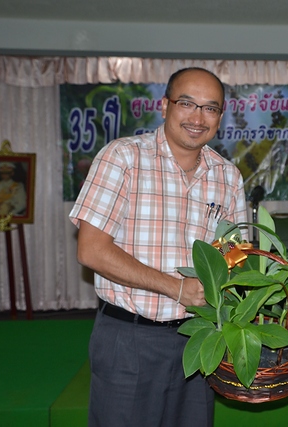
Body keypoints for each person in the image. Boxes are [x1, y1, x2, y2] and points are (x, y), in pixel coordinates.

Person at [69, 67, 249, 427]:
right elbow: (91, 250)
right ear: (165, 105)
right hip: (129, 339)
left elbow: (235, 255)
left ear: (220, 116)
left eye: (210, 108)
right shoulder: (123, 158)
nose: (198, 118)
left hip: (199, 338)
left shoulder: (227, 176)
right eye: (187, 103)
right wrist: (176, 288)